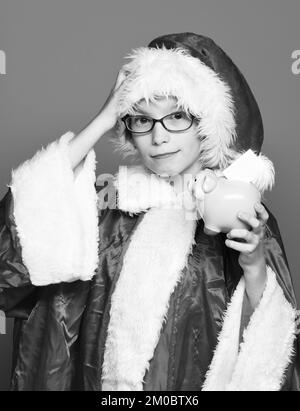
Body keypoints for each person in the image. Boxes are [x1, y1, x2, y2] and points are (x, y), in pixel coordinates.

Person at [0, 32, 299, 391]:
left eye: (177, 116)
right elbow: (20, 235)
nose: (158, 137)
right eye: (142, 119)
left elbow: (269, 348)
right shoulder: (105, 205)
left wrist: (253, 265)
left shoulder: (242, 218)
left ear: (208, 125)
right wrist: (103, 118)